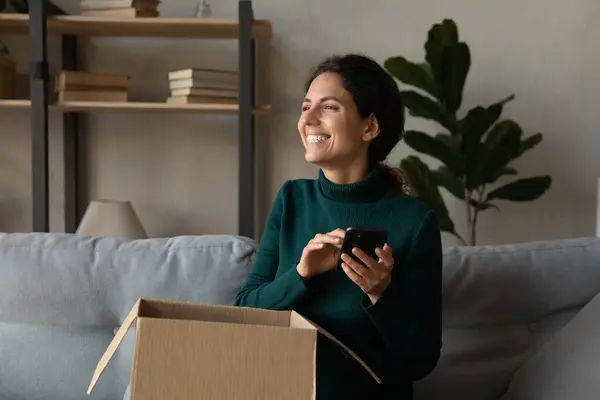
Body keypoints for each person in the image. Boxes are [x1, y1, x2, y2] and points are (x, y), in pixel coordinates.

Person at [233, 53, 443, 399]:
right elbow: (244, 312)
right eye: (305, 108)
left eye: (328, 107)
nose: (308, 120)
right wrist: (301, 274)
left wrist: (380, 293)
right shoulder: (291, 200)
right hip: (279, 385)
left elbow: (420, 361)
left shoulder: (414, 222)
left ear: (369, 127)